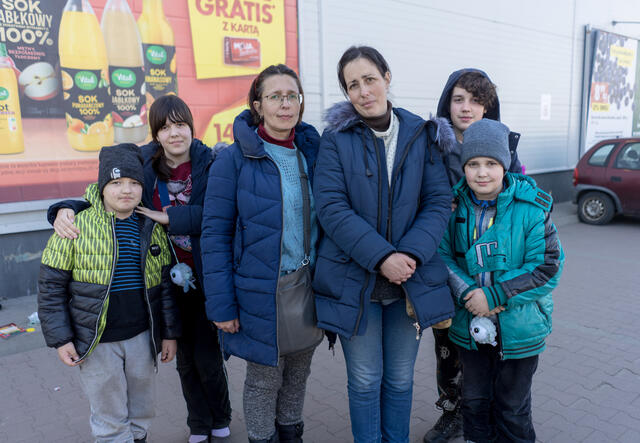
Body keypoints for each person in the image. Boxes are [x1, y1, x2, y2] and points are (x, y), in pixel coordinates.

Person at [48, 95, 232, 443]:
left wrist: (169, 216)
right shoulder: (145, 165)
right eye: (165, 127)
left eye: (180, 125)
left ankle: (219, 415)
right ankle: (197, 423)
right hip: (166, 278)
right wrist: (63, 208)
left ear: (192, 127)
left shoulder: (213, 162)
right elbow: (107, 191)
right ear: (156, 135)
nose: (174, 133)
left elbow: (218, 213)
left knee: (208, 357)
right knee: (182, 358)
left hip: (208, 276)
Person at [312, 46, 454, 443]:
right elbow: (331, 207)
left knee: (400, 379)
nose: (363, 91)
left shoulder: (421, 134)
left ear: (387, 76)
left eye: (369, 79)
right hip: (354, 282)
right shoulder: (336, 139)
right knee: (364, 379)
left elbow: (438, 201)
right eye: (352, 85)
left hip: (410, 279)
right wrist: (381, 257)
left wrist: (406, 255)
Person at [200, 64, 322, 443]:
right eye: (275, 96)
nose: (285, 104)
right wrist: (222, 308)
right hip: (259, 293)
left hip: (309, 288)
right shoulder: (234, 160)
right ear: (258, 104)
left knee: (298, 374)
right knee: (264, 379)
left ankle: (291, 435)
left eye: (292, 96)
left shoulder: (313, 154)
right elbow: (215, 236)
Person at [38, 143, 180, 443]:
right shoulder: (75, 225)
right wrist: (60, 338)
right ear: (102, 187)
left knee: (143, 407)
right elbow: (51, 288)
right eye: (116, 183)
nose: (125, 190)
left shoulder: (150, 227)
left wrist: (169, 333)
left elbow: (165, 288)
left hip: (143, 337)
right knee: (109, 413)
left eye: (133, 183)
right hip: (97, 342)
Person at [438, 118, 564, 442]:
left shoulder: (532, 209)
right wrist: (469, 293)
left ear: (505, 166)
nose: (482, 173)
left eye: (491, 163)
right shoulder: (452, 208)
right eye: (474, 164)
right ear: (463, 167)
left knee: (512, 407)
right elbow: (442, 257)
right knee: (475, 403)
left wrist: (494, 296)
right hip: (470, 327)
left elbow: (548, 266)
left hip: (520, 330)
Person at [423, 69, 525, 443]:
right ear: (447, 103)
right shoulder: (431, 147)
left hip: (495, 276)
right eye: (459, 98)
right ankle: (452, 412)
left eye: (476, 100)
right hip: (447, 267)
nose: (467, 108)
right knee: (448, 349)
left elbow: (522, 205)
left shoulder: (507, 150)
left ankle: (497, 415)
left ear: (489, 106)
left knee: (495, 349)